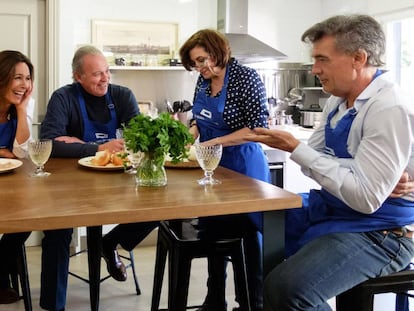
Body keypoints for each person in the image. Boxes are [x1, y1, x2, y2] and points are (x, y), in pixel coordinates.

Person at [246, 14, 414, 310]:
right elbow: (313, 161)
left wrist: (297, 147)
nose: (314, 70)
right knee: (252, 214)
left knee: (287, 289)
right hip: (339, 208)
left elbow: (365, 198)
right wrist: (360, 172)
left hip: (382, 231)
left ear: (358, 58)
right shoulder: (338, 101)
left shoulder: (387, 107)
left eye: (322, 59)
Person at [39, 45, 158, 310]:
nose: (104, 79)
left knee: (158, 209)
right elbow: (49, 144)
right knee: (57, 232)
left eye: (107, 72)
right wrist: (98, 148)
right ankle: (52, 305)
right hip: (71, 186)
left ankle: (111, 242)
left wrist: (75, 142)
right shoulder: (63, 98)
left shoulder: (123, 96)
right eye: (96, 74)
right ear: (77, 77)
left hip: (119, 183)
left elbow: (138, 141)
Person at [179, 29, 270, 311]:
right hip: (211, 168)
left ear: (218, 52)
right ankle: (214, 298)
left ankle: (252, 301)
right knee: (213, 231)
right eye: (195, 63)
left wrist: (213, 143)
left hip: (244, 167)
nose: (201, 68)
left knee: (249, 237)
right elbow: (198, 117)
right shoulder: (203, 81)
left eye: (203, 60)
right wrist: (189, 134)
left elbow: (258, 127)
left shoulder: (246, 78)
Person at [0, 50, 34, 304]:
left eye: (28, 78)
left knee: (27, 220)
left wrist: (22, 111)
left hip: (11, 184)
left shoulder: (18, 108)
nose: (24, 85)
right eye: (17, 78)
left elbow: (21, 152)